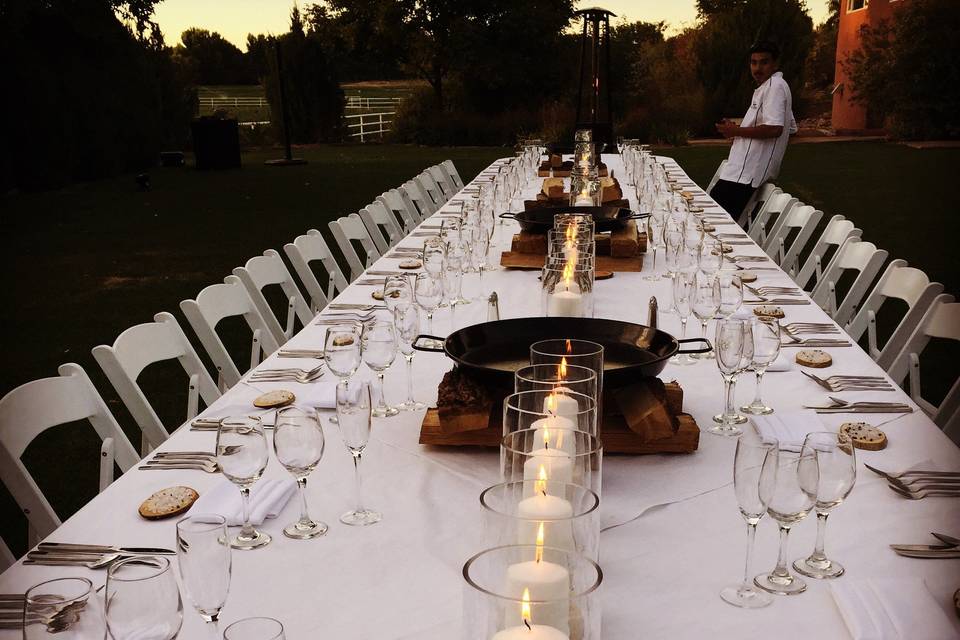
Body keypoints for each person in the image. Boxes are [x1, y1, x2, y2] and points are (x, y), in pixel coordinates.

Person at [709, 41, 798, 225]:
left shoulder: (775, 86)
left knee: (713, 224)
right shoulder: (771, 87)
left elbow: (775, 128)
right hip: (739, 172)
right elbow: (790, 128)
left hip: (747, 175)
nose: (757, 68)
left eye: (764, 62)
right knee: (710, 218)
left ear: (775, 64)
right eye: (753, 62)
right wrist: (739, 133)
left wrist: (737, 130)